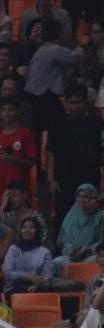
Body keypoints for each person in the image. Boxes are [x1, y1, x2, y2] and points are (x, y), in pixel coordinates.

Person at [46, 84, 104, 229]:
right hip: (63, 179)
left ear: (85, 101)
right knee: (63, 216)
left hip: (89, 178)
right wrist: (50, 178)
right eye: (71, 102)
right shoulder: (57, 123)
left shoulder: (97, 124)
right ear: (65, 102)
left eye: (78, 102)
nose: (75, 106)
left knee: (88, 216)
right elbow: (51, 151)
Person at [22, 21, 85, 138]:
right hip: (44, 98)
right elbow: (77, 57)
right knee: (59, 130)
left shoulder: (41, 49)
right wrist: (79, 46)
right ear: (59, 34)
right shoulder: (53, 50)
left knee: (41, 134)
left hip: (34, 97)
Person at [0, 97, 36, 201]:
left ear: (17, 111)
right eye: (3, 110)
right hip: (1, 190)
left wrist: (12, 159)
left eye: (10, 110)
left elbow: (31, 163)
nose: (7, 113)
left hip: (20, 191)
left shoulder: (26, 134)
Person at [54, 184, 104, 272]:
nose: (82, 200)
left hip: (91, 255)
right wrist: (71, 250)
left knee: (93, 261)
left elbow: (101, 243)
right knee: (57, 262)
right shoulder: (72, 214)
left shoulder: (100, 216)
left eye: (86, 197)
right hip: (72, 255)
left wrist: (86, 250)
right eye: (79, 196)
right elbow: (63, 241)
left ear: (94, 198)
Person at [3, 216, 55, 294]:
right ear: (20, 230)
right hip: (15, 289)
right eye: (24, 227)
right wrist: (29, 278)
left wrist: (37, 286)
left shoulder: (44, 252)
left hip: (37, 289)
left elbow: (47, 277)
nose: (27, 230)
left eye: (31, 228)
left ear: (37, 231)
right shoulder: (13, 249)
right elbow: (8, 273)